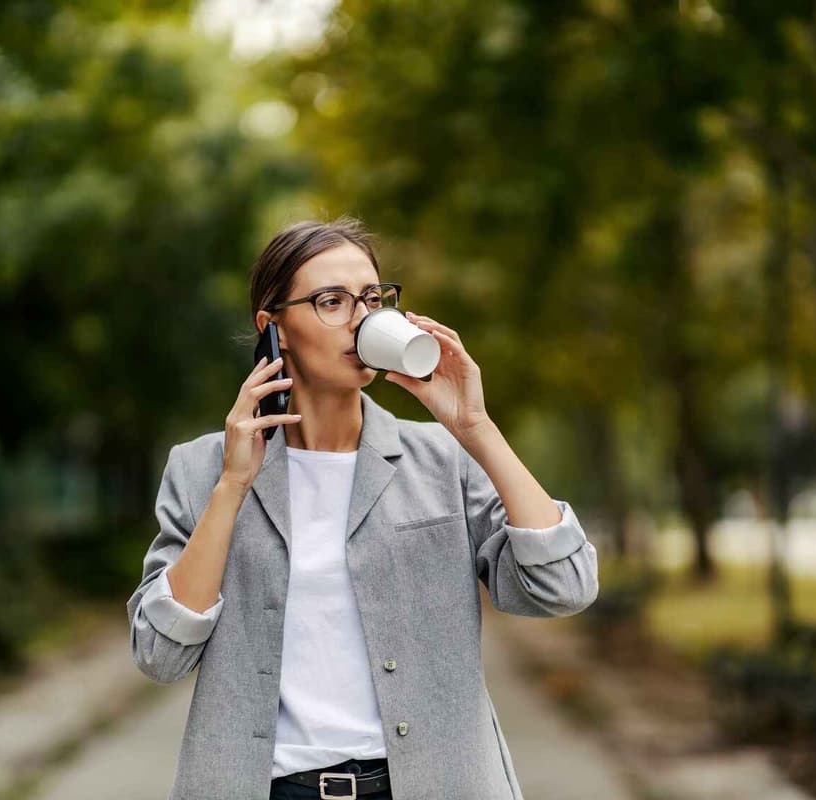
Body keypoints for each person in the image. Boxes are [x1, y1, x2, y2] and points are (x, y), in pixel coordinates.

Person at [127, 216, 600, 800]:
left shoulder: (441, 458)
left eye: (372, 299)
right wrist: (232, 487)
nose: (362, 319)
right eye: (332, 301)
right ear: (273, 327)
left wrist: (475, 427)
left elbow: (565, 585)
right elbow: (160, 654)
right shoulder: (203, 470)